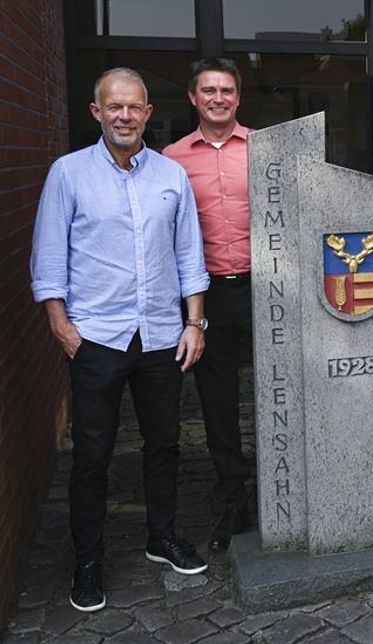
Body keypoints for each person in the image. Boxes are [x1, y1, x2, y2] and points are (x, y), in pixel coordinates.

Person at [30, 68, 211, 612]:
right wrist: (63, 330)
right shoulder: (68, 174)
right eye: (115, 107)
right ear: (97, 112)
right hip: (97, 339)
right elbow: (48, 260)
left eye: (134, 107)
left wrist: (194, 322)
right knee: (92, 455)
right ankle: (87, 561)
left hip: (160, 335)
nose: (125, 116)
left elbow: (189, 256)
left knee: (164, 444)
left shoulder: (170, 176)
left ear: (148, 113)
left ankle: (162, 537)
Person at [164, 58, 253, 554]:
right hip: (208, 293)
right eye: (209, 91)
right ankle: (234, 499)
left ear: (238, 98)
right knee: (219, 401)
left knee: (286, 385)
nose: (218, 98)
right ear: (193, 98)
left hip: (268, 287)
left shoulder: (265, 150)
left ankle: (293, 486)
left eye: (227, 90)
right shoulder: (171, 159)